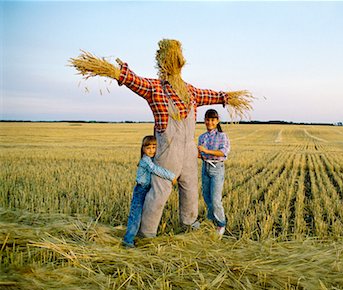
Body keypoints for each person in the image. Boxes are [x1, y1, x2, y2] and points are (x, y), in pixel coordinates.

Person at [70, 39, 252, 237]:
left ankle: (189, 224)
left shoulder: (190, 91)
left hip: (190, 154)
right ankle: (147, 233)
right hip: (167, 153)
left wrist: (227, 98)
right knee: (158, 193)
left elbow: (212, 95)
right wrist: (116, 72)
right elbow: (134, 80)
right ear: (164, 62)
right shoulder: (155, 88)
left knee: (190, 192)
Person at [122, 135, 176, 248]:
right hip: (140, 190)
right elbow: (155, 169)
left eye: (154, 147)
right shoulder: (146, 160)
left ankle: (140, 234)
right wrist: (171, 176)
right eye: (148, 148)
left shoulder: (153, 159)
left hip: (148, 189)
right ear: (143, 149)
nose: (151, 150)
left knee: (146, 213)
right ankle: (128, 240)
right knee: (135, 215)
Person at [198, 109, 230, 236]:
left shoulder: (222, 136)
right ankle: (211, 222)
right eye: (207, 119)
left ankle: (221, 224)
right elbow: (200, 154)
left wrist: (206, 151)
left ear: (217, 121)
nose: (209, 122)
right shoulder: (202, 137)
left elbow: (223, 152)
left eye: (212, 120)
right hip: (205, 167)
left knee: (216, 199)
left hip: (217, 168)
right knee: (207, 197)